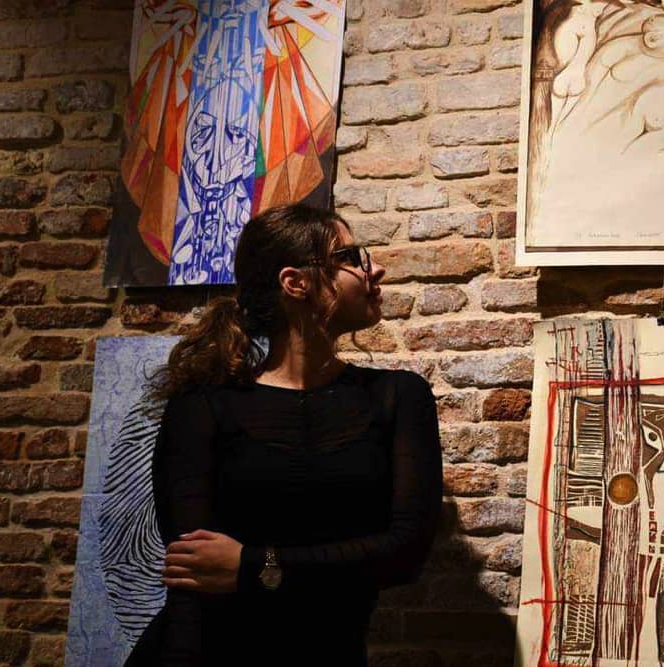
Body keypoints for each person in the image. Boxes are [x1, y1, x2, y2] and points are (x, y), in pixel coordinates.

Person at [126, 204, 443, 665]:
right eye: (351, 257)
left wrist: (253, 564)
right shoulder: (202, 404)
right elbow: (194, 576)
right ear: (296, 282)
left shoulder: (399, 397)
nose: (375, 269)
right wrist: (326, 564)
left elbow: (405, 554)